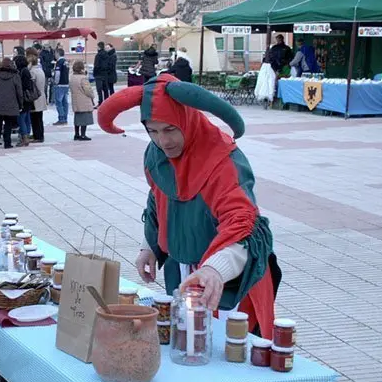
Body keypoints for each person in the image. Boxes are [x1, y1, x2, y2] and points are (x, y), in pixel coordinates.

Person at [97, 73, 282, 339]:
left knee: (226, 356)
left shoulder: (224, 159)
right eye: (153, 131)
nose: (164, 141)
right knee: (186, 349)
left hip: (227, 280)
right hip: (183, 273)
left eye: (171, 129)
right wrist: (149, 247)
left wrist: (214, 269)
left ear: (187, 119)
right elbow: (158, 198)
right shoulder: (156, 154)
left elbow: (243, 223)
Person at [0, 58, 23, 149]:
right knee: (8, 124)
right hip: (11, 104)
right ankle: (7, 143)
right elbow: (19, 92)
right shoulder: (15, 76)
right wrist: (20, 104)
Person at [69, 60, 95, 141]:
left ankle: (76, 134)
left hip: (76, 100)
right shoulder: (83, 78)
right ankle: (83, 135)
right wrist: (92, 96)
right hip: (84, 101)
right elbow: (88, 90)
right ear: (81, 69)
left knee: (77, 118)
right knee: (85, 118)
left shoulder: (72, 78)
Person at [14, 53, 33, 147]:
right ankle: (27, 135)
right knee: (27, 118)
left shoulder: (21, 72)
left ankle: (24, 137)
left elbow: (21, 86)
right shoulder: (27, 70)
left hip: (23, 98)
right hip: (28, 98)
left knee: (21, 119)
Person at [28, 53, 47, 143]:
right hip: (41, 96)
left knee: (35, 118)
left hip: (35, 97)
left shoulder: (32, 72)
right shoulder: (40, 70)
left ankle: (38, 136)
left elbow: (31, 84)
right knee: (39, 118)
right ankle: (39, 134)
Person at [53, 48, 70, 125]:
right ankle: (65, 118)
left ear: (57, 53)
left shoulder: (59, 62)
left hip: (59, 84)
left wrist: (56, 82)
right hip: (66, 84)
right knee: (65, 102)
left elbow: (57, 73)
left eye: (55, 53)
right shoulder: (66, 62)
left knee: (59, 102)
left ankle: (61, 118)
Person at [93, 42, 110, 106]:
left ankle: (100, 102)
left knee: (99, 90)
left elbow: (96, 65)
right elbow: (108, 64)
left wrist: (95, 73)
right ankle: (107, 102)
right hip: (105, 74)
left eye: (97, 47)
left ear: (99, 47)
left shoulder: (98, 55)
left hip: (98, 74)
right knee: (105, 89)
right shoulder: (107, 55)